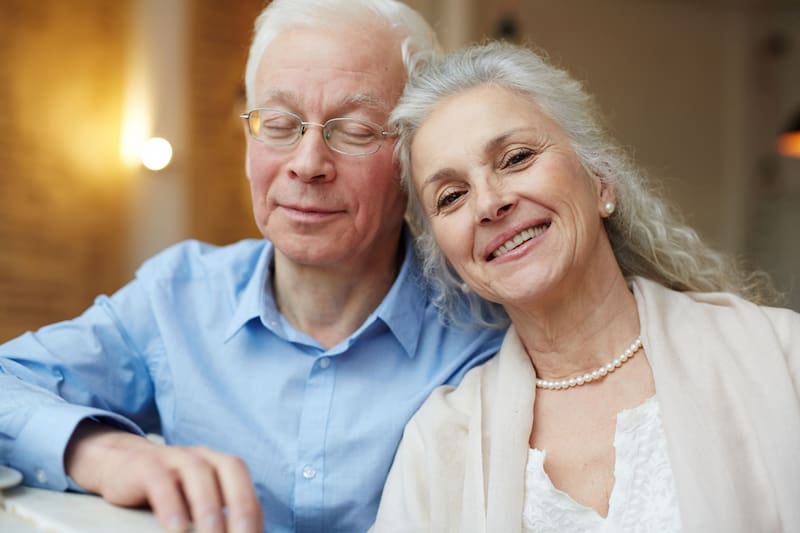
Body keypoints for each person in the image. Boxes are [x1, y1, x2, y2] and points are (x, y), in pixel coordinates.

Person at [0, 2, 504, 532]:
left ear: (416, 155)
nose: (307, 164)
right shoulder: (177, 298)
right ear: (248, 142)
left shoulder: (484, 330)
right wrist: (105, 453)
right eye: (280, 124)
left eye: (355, 130)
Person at [371, 41, 800, 533]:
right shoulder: (437, 443)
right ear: (449, 259)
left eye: (516, 158)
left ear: (601, 180)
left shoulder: (780, 355)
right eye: (451, 196)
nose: (488, 203)